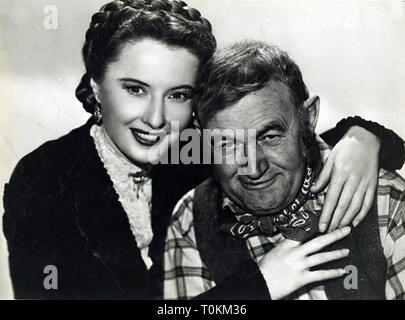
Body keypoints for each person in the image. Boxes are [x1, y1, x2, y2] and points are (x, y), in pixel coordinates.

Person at [2, 0, 403, 299]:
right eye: (135, 89)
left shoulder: (196, 154)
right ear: (94, 87)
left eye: (177, 95)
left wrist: (362, 137)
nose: (156, 119)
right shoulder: (43, 179)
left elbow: (277, 134)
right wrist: (258, 286)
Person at [163, 40, 405, 300]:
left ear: (308, 118)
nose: (253, 168)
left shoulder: (385, 200)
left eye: (269, 137)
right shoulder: (193, 218)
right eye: (227, 143)